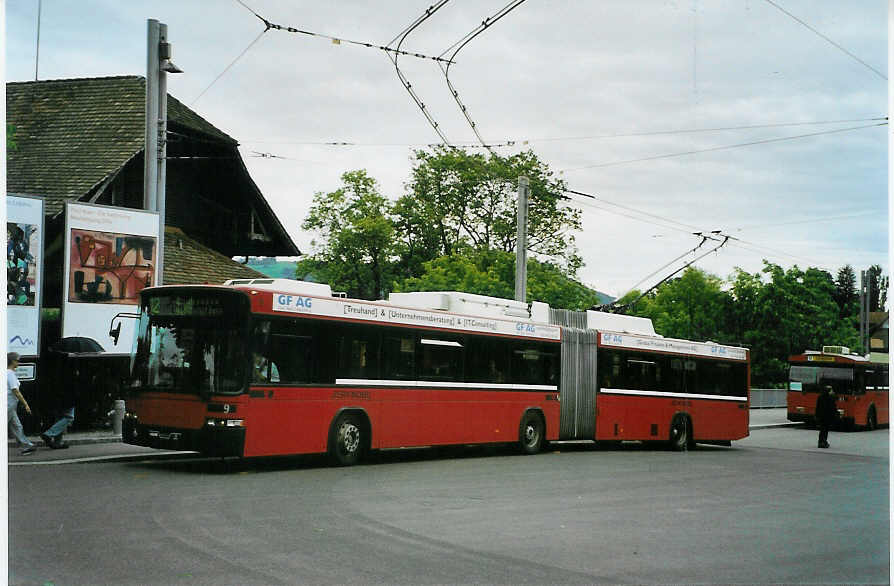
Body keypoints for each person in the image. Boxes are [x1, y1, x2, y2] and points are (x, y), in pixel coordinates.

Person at [7, 352, 36, 455]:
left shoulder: (9, 373)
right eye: (17, 360)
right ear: (12, 361)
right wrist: (25, 404)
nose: (19, 362)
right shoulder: (9, 374)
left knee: (17, 426)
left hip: (11, 405)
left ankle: (26, 445)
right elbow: (16, 391)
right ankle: (26, 445)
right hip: (8, 405)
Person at [815, 384, 838, 449]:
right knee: (825, 430)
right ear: (828, 391)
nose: (832, 391)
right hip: (827, 417)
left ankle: (821, 441)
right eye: (831, 390)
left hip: (821, 416)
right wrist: (835, 415)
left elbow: (818, 407)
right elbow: (833, 408)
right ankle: (823, 442)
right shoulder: (831, 398)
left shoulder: (820, 397)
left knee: (822, 429)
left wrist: (816, 415)